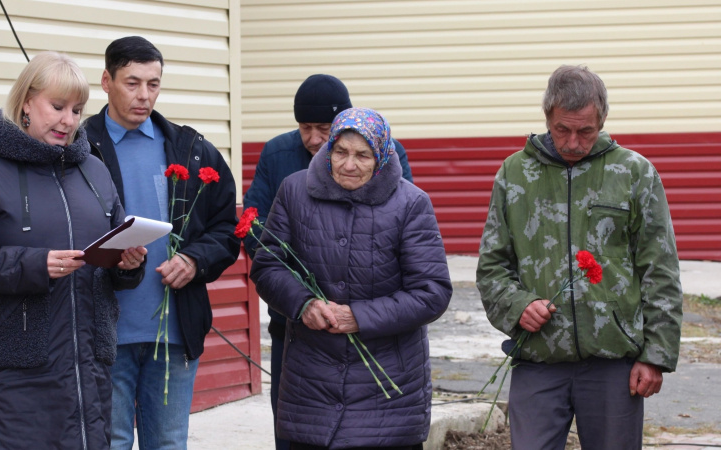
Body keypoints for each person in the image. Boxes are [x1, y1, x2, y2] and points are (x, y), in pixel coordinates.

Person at [0, 51, 147, 449]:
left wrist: (127, 264)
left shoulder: (94, 170)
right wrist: (35, 264)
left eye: (77, 109)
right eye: (57, 106)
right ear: (26, 102)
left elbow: (116, 246)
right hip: (15, 374)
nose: (69, 120)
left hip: (88, 367)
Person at [477, 65, 682, 450]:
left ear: (602, 120)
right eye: (562, 130)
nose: (572, 142)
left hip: (613, 366)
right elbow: (492, 266)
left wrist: (656, 355)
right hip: (538, 360)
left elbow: (661, 270)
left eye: (585, 131)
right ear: (547, 118)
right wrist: (518, 306)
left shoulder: (635, 173)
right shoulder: (514, 173)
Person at [250, 107, 452, 450]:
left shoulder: (410, 204)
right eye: (340, 152)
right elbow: (267, 265)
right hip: (311, 383)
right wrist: (303, 303)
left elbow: (431, 292)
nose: (348, 164)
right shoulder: (295, 191)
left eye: (362, 155)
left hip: (389, 392)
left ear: (382, 156)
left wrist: (359, 317)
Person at [83, 36, 238, 450]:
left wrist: (194, 260)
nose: (144, 95)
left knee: (169, 443)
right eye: (132, 83)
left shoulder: (193, 150)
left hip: (174, 330)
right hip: (103, 333)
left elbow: (226, 227)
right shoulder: (78, 151)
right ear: (106, 81)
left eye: (153, 84)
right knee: (108, 444)